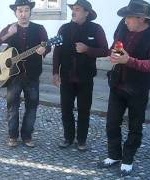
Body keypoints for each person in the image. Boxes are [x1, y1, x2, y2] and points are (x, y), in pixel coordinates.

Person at [98, 0, 150, 176]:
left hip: (138, 89)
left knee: (135, 125)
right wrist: (114, 54)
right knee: (111, 123)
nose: (125, 21)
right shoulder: (123, 26)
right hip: (117, 83)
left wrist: (128, 60)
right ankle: (114, 155)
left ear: (141, 18)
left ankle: (128, 158)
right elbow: (116, 45)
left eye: (129, 18)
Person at [0, 0, 51, 148]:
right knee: (12, 107)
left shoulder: (39, 29)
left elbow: (47, 44)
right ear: (16, 12)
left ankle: (27, 136)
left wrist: (45, 49)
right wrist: (8, 34)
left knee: (32, 106)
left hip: (32, 75)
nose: (23, 14)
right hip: (13, 76)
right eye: (20, 11)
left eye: (26, 10)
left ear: (30, 12)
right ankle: (12, 136)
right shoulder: (10, 28)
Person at [52, 0, 108, 151]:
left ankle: (81, 140)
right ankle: (68, 138)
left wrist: (88, 49)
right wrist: (55, 72)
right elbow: (57, 52)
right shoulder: (64, 29)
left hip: (85, 78)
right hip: (66, 77)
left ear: (86, 12)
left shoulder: (96, 29)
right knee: (66, 109)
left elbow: (105, 50)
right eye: (73, 9)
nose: (73, 12)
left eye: (77, 9)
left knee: (84, 110)